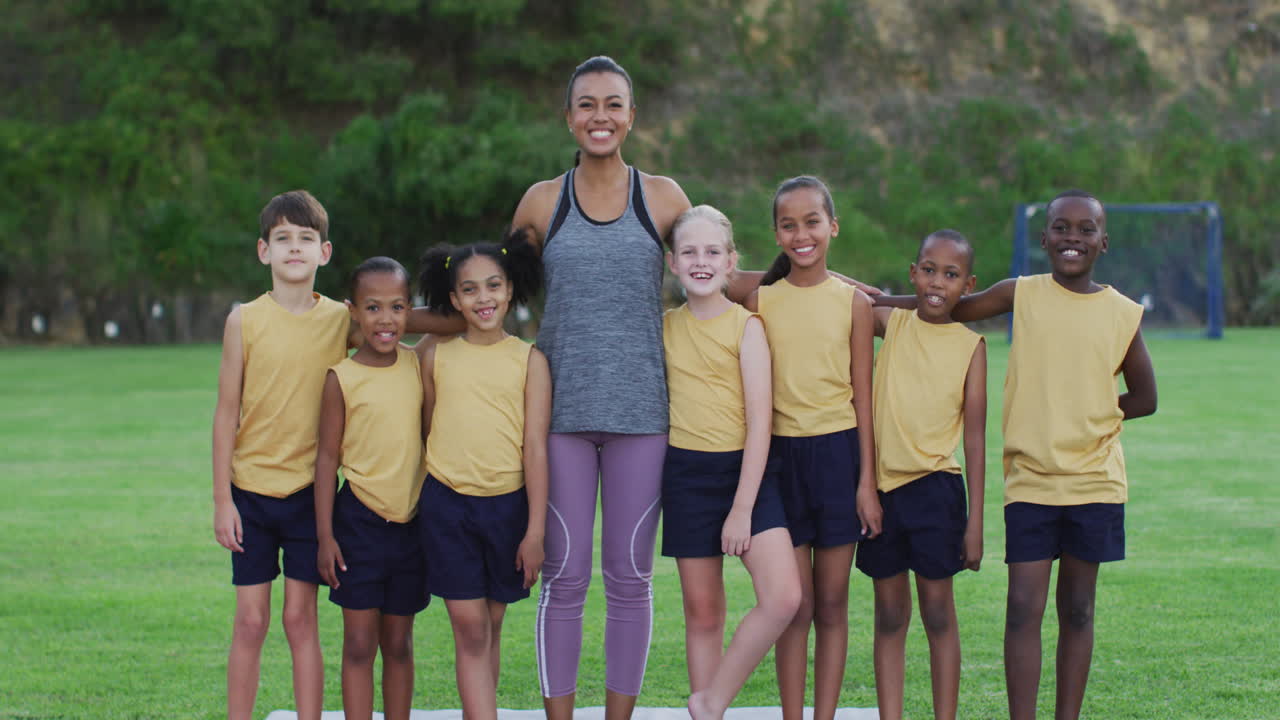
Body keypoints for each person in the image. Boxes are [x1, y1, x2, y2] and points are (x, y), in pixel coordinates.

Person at [874, 190, 1157, 720]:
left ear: (1103, 242)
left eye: (1085, 229)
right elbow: (942, 305)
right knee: (1023, 607)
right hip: (1030, 482)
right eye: (1061, 228)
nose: (1073, 238)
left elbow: (1146, 398)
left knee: (1077, 609)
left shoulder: (1121, 312)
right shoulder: (1021, 293)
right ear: (1044, 237)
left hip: (1094, 483)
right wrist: (863, 296)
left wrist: (1092, 410)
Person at [509, 55, 692, 720]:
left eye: (613, 104)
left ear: (632, 117)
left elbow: (716, 272)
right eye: (586, 104)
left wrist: (833, 288)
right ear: (568, 118)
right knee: (564, 579)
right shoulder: (541, 201)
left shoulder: (665, 198)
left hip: (642, 415)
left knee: (629, 580)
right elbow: (489, 295)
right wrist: (399, 323)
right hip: (559, 419)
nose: (600, 117)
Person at [743, 175, 881, 720]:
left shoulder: (853, 303)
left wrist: (866, 482)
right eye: (788, 224)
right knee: (792, 607)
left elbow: (864, 399)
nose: (801, 234)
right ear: (776, 233)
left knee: (831, 604)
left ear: (833, 227)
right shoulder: (761, 300)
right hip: (780, 461)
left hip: (838, 458)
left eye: (812, 222)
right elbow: (720, 276)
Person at [660, 206, 802, 720]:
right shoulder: (664, 329)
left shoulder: (747, 328)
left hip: (747, 476)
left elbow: (761, 422)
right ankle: (709, 712)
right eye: (689, 252)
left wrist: (742, 507)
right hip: (686, 477)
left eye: (712, 252)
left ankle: (711, 700)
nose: (701, 261)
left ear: (730, 262)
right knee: (703, 613)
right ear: (673, 263)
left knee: (784, 597)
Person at [211, 190, 341, 720]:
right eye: (283, 239)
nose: (294, 248)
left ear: (323, 253)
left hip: (310, 498)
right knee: (251, 620)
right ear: (263, 251)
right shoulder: (243, 320)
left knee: (299, 620)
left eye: (305, 239)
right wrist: (223, 500)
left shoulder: (340, 319)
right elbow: (226, 414)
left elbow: (393, 323)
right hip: (251, 495)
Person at [416, 230, 551, 720]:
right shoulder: (436, 354)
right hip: (447, 506)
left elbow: (535, 449)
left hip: (508, 509)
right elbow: (428, 426)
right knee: (470, 628)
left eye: (493, 286)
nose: (483, 298)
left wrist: (535, 531)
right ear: (453, 299)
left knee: (491, 625)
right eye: (469, 290)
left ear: (510, 288)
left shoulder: (530, 359)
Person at [855, 230, 987, 720]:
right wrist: (898, 297)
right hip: (882, 493)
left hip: (937, 492)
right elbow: (849, 296)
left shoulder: (971, 347)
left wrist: (975, 522)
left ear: (967, 284)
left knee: (936, 613)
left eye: (951, 275)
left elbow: (974, 440)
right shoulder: (893, 322)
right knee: (890, 616)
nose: (937, 282)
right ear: (913, 274)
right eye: (928, 270)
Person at [314, 257, 429, 720]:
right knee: (360, 644)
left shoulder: (419, 364)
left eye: (398, 307)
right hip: (357, 524)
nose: (386, 320)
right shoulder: (341, 377)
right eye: (374, 308)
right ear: (354, 313)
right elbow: (326, 459)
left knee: (398, 643)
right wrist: (325, 537)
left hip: (411, 527)